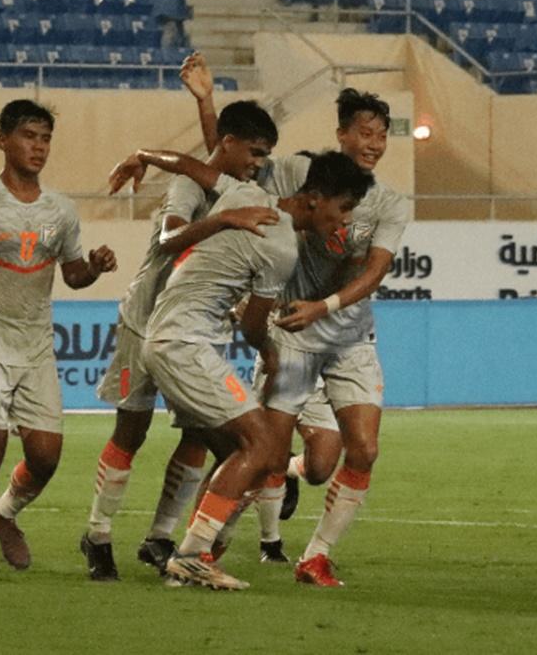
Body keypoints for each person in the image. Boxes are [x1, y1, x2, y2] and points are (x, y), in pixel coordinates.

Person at [151, 52, 411, 586]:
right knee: (261, 451)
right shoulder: (297, 172)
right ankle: (205, 549)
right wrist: (207, 104)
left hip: (346, 335)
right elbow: (231, 167)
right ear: (341, 134)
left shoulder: (390, 204)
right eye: (365, 132)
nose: (374, 143)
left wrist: (328, 307)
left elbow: (376, 271)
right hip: (289, 333)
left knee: (354, 452)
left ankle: (314, 556)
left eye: (382, 135)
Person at [140, 152, 374, 590]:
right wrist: (270, 351)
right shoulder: (281, 246)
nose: (343, 223)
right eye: (341, 209)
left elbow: (193, 165)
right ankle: (190, 555)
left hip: (166, 338)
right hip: (185, 344)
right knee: (263, 444)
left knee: (242, 449)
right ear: (314, 199)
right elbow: (252, 326)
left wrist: (142, 156)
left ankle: (192, 554)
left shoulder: (250, 193)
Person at [79, 101, 280, 581]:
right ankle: (98, 533)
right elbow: (171, 238)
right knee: (131, 432)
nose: (259, 163)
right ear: (228, 144)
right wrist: (225, 222)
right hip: (146, 320)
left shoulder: (238, 189)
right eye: (254, 152)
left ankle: (161, 537)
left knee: (195, 435)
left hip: (195, 330)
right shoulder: (190, 186)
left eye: (265, 156)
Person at [0, 99, 117, 578]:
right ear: (3, 140)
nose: (38, 147)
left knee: (46, 457)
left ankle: (4, 513)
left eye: (45, 138)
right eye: (29, 136)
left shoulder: (62, 209)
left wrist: (93, 268)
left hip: (36, 343)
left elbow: (73, 275)